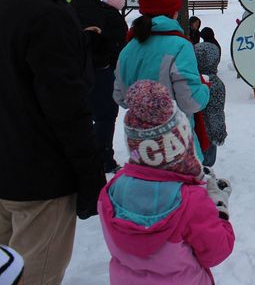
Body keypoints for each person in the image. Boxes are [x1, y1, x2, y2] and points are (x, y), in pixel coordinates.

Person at [0, 0, 106, 284]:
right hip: (40, 180)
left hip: (7, 165)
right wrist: (89, 172)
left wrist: (78, 43)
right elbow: (66, 109)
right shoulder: (47, 16)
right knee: (33, 277)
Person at [98, 80, 235, 284]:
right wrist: (219, 208)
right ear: (181, 145)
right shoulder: (192, 202)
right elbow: (216, 253)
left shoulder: (112, 190)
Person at [113, 0, 210, 160]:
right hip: (177, 147)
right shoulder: (180, 46)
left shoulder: (129, 48)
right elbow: (191, 101)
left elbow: (121, 97)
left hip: (142, 150)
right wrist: (205, 88)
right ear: (173, 11)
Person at [68, 0, 129, 173]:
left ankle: (92, 154)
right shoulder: (92, 10)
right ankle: (103, 158)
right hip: (98, 70)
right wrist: (109, 57)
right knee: (105, 114)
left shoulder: (74, 6)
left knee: (90, 114)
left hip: (82, 70)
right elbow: (95, 40)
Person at [195, 41, 227, 167]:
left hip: (190, 133)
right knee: (206, 165)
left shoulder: (189, 79)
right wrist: (219, 133)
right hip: (207, 135)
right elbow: (215, 112)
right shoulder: (214, 84)